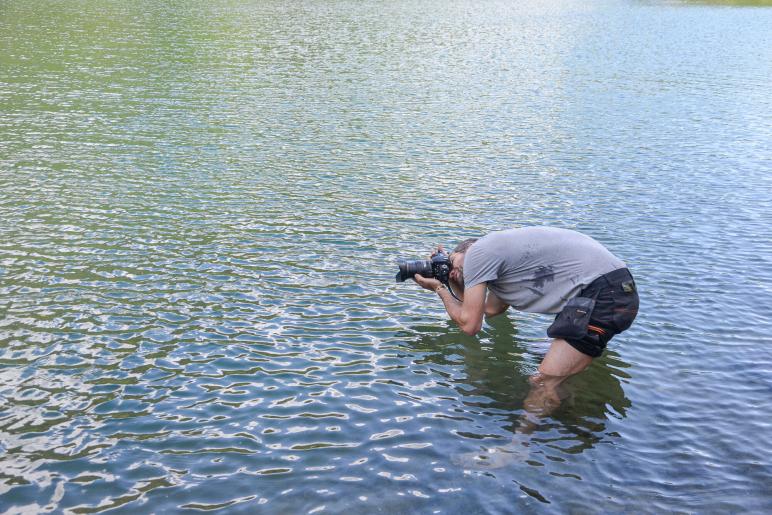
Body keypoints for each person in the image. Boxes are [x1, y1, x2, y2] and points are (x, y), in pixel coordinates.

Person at [413, 226, 639, 443]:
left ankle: (517, 447)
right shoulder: (504, 261)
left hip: (603, 296)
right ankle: (576, 403)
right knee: (545, 360)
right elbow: (489, 311)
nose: (452, 271)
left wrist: (440, 289)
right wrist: (456, 281)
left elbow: (470, 326)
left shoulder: (478, 252)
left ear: (465, 251)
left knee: (542, 382)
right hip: (611, 292)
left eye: (451, 263)